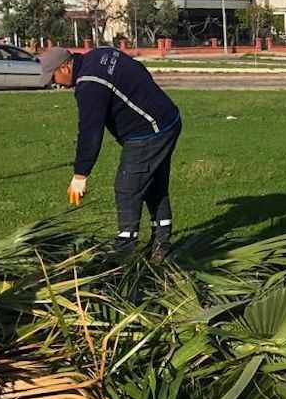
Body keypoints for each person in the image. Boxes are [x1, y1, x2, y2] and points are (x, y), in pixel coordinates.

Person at [39, 46, 182, 259]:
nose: (55, 83)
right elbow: (138, 68)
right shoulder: (99, 55)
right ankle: (161, 245)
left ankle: (126, 248)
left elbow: (90, 130)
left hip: (148, 131)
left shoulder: (89, 83)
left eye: (54, 77)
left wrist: (81, 174)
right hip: (167, 119)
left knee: (127, 187)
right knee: (153, 184)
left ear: (65, 67)